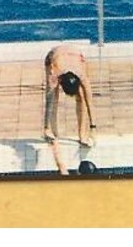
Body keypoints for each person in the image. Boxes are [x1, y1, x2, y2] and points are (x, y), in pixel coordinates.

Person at [43, 44, 96, 175]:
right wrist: (46, 127)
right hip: (53, 56)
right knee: (53, 100)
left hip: (76, 56)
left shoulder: (82, 74)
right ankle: (54, 136)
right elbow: (49, 103)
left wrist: (93, 129)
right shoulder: (54, 72)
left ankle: (81, 134)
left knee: (82, 98)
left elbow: (90, 102)